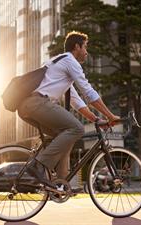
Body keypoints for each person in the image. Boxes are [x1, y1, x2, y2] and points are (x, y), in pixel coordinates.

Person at [18, 31, 120, 188]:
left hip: (27, 106)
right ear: (77, 47)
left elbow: (76, 101)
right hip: (37, 102)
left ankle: (59, 185)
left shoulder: (58, 64)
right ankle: (38, 166)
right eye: (85, 47)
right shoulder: (70, 61)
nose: (86, 52)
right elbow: (88, 92)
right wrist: (111, 115)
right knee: (77, 128)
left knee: (65, 137)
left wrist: (97, 120)